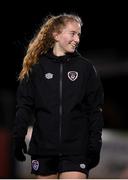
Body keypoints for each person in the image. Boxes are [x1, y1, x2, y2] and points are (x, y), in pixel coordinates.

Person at [13, 13, 104, 179]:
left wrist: (95, 144)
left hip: (76, 151)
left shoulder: (86, 68)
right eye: (72, 33)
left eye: (79, 35)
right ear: (56, 34)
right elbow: (24, 106)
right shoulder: (36, 67)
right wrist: (18, 136)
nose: (77, 39)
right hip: (44, 150)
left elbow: (95, 110)